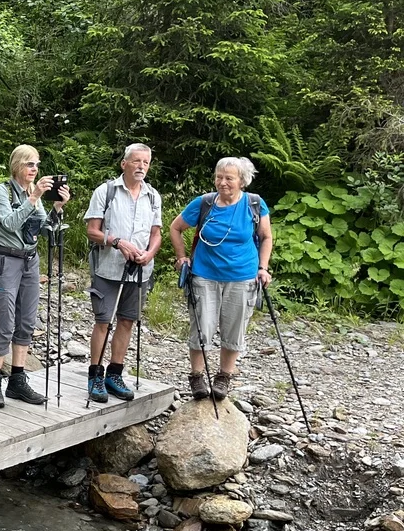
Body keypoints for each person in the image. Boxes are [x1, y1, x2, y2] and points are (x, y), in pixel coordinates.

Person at [168, 156, 272, 401]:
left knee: (234, 328)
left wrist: (263, 267)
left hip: (243, 277)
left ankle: (224, 376)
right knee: (202, 326)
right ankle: (196, 376)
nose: (222, 182)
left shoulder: (254, 204)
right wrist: (182, 257)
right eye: (219, 177)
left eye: (229, 178)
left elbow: (266, 237)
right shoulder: (204, 203)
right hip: (204, 275)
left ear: (242, 181)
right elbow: (175, 228)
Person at [0, 145, 69, 408]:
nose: (35, 169)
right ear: (18, 165)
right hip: (5, 260)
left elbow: (45, 228)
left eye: (37, 165)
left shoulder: (35, 194)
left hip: (30, 261)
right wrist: (33, 198)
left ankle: (18, 380)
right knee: (6, 321)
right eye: (30, 164)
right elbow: (9, 223)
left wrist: (57, 207)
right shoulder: (2, 191)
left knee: (27, 321)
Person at [84, 143, 163, 403]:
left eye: (146, 163)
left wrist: (150, 254)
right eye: (136, 161)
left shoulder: (153, 196)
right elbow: (92, 231)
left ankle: (114, 373)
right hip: (108, 267)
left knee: (127, 321)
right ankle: (94, 374)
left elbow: (156, 234)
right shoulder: (106, 191)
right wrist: (118, 242)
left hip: (139, 269)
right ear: (124, 164)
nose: (141, 166)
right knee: (103, 321)